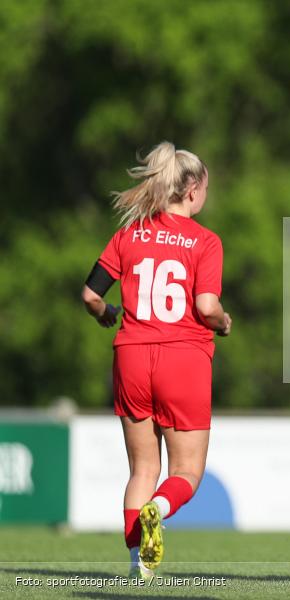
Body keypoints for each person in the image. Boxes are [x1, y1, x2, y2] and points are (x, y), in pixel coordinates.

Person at [81, 142, 231, 579]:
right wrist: (223, 322)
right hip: (182, 358)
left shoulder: (129, 235)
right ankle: (158, 510)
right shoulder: (204, 241)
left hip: (131, 356)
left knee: (143, 469)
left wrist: (105, 313)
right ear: (192, 190)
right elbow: (206, 306)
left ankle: (137, 565)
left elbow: (90, 295)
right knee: (187, 471)